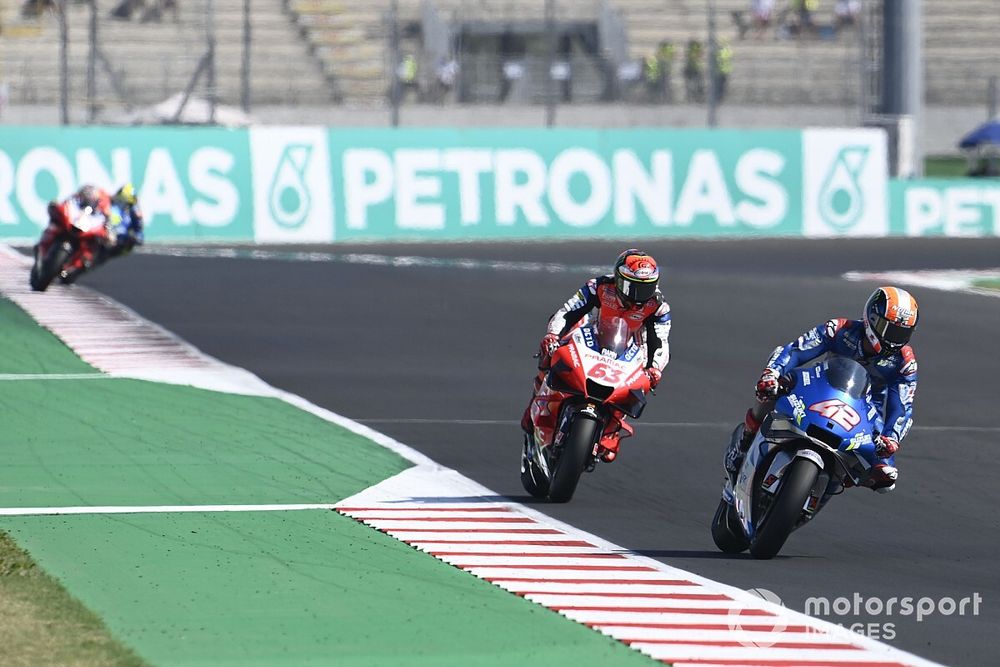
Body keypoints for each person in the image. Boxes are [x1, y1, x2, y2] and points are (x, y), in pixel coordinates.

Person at [725, 287, 920, 493]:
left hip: (865, 411)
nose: (894, 339)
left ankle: (834, 481)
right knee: (772, 389)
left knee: (887, 476)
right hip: (820, 385)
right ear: (871, 318)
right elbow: (796, 350)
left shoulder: (904, 363)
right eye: (889, 329)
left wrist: (891, 439)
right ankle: (745, 441)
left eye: (902, 333)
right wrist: (771, 373)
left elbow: (903, 407)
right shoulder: (839, 328)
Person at [521, 249, 672, 462]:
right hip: (592, 333)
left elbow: (660, 342)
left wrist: (655, 368)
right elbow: (568, 311)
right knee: (552, 350)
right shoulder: (599, 287)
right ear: (619, 281)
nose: (639, 295)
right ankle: (536, 400)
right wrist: (553, 335)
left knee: (642, 382)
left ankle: (611, 428)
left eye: (646, 288)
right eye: (634, 287)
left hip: (628, 345)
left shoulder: (658, 307)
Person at [104, 182, 145, 259]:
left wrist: (137, 235)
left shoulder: (132, 211)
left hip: (119, 236)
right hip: (104, 230)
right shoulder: (108, 202)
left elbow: (138, 227)